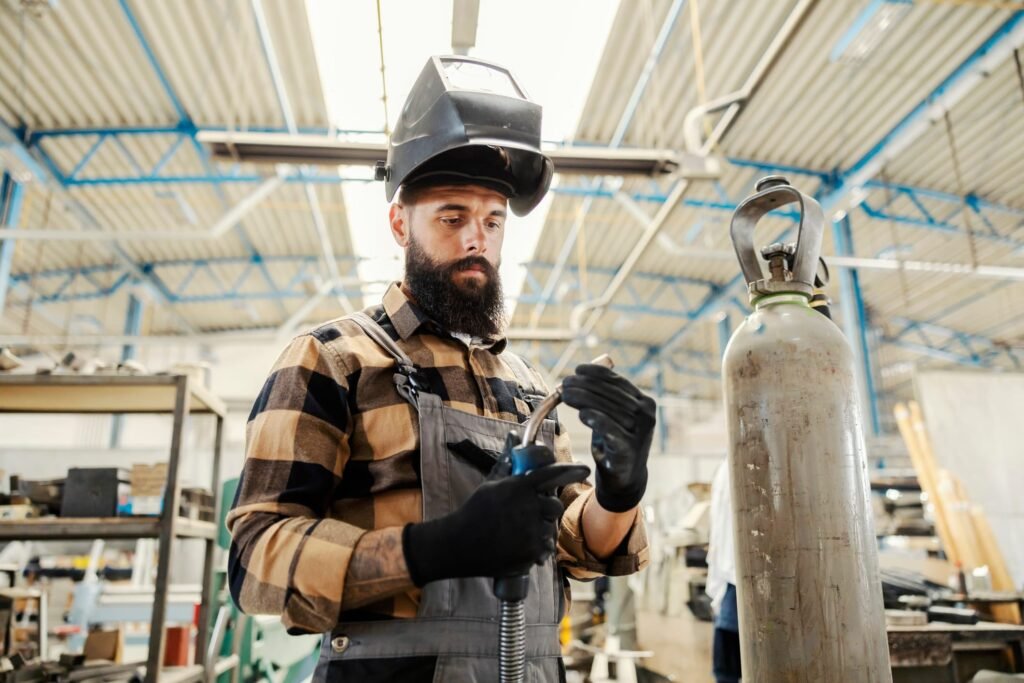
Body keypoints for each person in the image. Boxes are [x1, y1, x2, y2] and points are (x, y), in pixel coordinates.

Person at [226, 56, 655, 683]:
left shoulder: (530, 386)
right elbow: (256, 559)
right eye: (452, 218)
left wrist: (620, 493)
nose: (476, 239)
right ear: (400, 223)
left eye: (492, 221)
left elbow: (573, 545)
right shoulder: (334, 359)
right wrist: (434, 550)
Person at [706, 460, 741, 683]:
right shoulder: (728, 467)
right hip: (733, 574)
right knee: (727, 665)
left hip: (734, 573)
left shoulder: (727, 467)